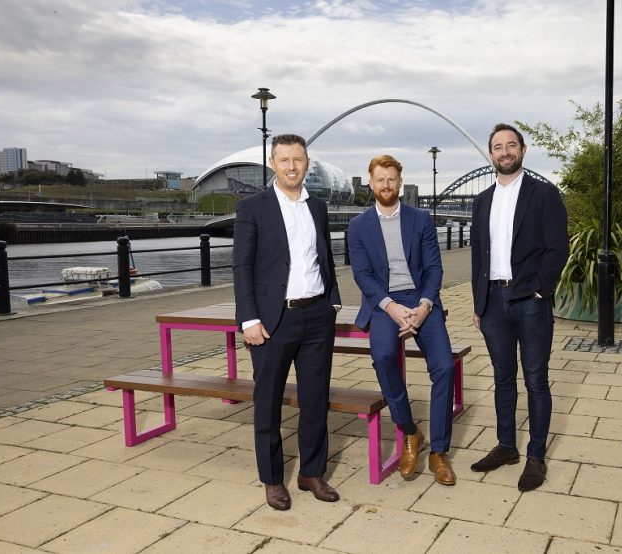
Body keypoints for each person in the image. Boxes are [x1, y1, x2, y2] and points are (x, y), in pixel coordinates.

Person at [233, 133, 342, 510]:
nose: (292, 166)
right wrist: (248, 318)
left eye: (298, 160)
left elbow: (324, 256)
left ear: (307, 164)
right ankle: (273, 479)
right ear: (272, 164)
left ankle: (312, 472)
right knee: (268, 402)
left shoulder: (319, 207)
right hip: (271, 320)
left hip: (316, 316)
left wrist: (333, 300)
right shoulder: (253, 207)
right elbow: (242, 266)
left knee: (315, 400)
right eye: (284, 160)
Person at [470, 123, 568, 491]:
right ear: (491, 154)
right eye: (498, 146)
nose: (505, 151)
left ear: (523, 150)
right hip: (493, 302)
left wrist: (542, 289)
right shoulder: (482, 201)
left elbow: (558, 247)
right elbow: (480, 254)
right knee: (502, 378)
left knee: (536, 380)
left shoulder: (543, 194)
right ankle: (507, 446)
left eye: (511, 145)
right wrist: (479, 301)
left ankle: (536, 456)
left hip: (529, 299)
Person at [347, 154, 456, 485]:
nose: (386, 185)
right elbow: (362, 275)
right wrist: (391, 307)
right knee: (381, 356)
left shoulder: (420, 219)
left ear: (400, 182)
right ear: (370, 183)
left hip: (421, 298)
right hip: (384, 303)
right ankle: (410, 432)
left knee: (445, 367)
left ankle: (439, 451)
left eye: (391, 179)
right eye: (380, 180)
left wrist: (423, 308)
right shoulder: (358, 226)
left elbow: (434, 268)